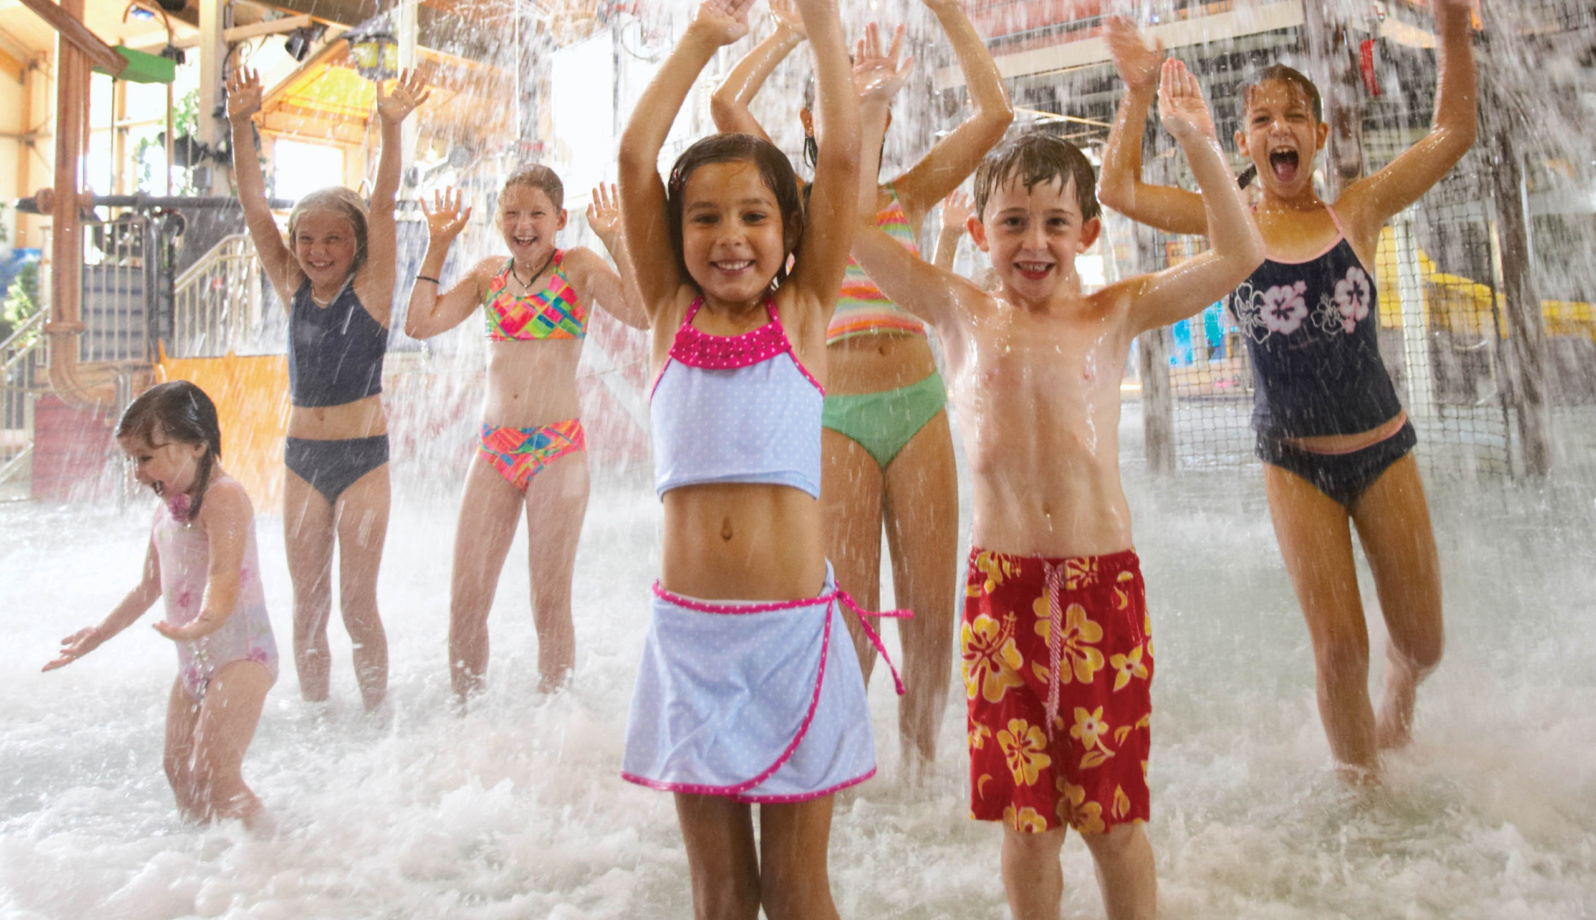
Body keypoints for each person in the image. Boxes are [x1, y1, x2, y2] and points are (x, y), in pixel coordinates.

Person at [850, 57, 1264, 920]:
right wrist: (868, 116)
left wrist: (1196, 143)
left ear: (1087, 233)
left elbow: (1239, 252)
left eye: (1053, 222)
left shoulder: (1113, 312)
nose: (1033, 241)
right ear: (979, 230)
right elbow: (853, 235)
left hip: (1100, 586)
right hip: (1000, 596)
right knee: (1027, 824)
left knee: (1112, 819)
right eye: (1012, 222)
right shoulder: (960, 312)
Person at [1098, 4, 1475, 777]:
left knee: (1422, 642)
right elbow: (1119, 189)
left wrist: (1455, 33)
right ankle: (1362, 795)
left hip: (1382, 444)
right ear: (1242, 143)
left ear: (1318, 135)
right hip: (1292, 458)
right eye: (1263, 118)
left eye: (1295, 116)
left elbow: (1453, 136)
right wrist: (1138, 90)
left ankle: (1399, 699)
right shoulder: (1224, 220)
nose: (1280, 129)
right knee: (1339, 648)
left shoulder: (1355, 210)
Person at [615, 0, 900, 916]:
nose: (729, 236)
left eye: (752, 216)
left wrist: (819, 24)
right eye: (703, 219)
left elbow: (845, 159)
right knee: (721, 891)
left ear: (790, 232)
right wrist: (701, 38)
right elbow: (632, 160)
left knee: (794, 883)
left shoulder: (803, 316)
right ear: (676, 233)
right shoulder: (668, 314)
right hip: (691, 640)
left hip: (789, 637)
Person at [712, 0, 1012, 772]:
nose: (862, 87)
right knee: (852, 617)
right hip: (837, 416)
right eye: (842, 88)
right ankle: (838, 770)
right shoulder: (796, 209)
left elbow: (995, 111)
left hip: (919, 408)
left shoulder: (908, 197)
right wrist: (789, 32)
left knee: (930, 615)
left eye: (874, 89)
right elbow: (725, 105)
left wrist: (945, 11)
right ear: (816, 118)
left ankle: (920, 769)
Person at [227, 66, 429, 711]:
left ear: (355, 244)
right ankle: (317, 718)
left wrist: (391, 125)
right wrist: (240, 124)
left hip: (363, 459)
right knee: (308, 604)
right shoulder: (292, 288)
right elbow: (255, 207)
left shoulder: (370, 290)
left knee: (356, 604)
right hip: (303, 463)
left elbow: (382, 201)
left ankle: (375, 716)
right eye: (306, 240)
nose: (318, 251)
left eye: (332, 239)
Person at [405, 175, 646, 700]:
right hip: (494, 451)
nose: (523, 225)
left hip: (557, 449)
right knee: (465, 601)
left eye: (536, 213)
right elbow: (418, 325)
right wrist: (438, 245)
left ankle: (555, 721)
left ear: (560, 220)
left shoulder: (577, 267)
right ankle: (465, 717)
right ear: (497, 221)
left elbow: (642, 314)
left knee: (549, 599)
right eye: (511, 213)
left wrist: (615, 241)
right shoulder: (486, 276)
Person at [44, 381, 279, 830]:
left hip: (240, 656)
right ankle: (205, 865)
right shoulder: (168, 506)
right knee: (179, 772)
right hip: (194, 659)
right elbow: (148, 586)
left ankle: (276, 855)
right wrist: (99, 634)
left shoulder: (224, 498)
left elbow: (223, 578)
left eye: (146, 459)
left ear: (196, 444)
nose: (136, 474)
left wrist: (202, 623)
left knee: (216, 776)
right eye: (132, 460)